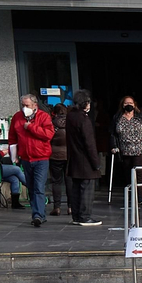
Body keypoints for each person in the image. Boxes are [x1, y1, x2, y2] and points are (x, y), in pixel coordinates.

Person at [8, 95, 54, 228]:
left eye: (27, 105)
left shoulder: (43, 117)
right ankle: (37, 214)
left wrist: (31, 127)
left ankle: (38, 215)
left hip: (41, 157)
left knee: (38, 187)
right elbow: (12, 138)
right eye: (23, 105)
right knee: (31, 187)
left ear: (35, 105)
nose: (24, 108)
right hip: (26, 158)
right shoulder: (17, 117)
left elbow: (48, 134)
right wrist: (14, 155)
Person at [64, 90, 103, 227]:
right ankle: (85, 216)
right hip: (85, 160)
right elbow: (89, 143)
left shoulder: (71, 116)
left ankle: (76, 216)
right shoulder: (84, 119)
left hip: (74, 157)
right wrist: (96, 163)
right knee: (86, 189)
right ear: (85, 103)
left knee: (76, 188)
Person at [112, 98, 142, 184]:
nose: (129, 105)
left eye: (131, 103)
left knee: (138, 174)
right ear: (123, 105)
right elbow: (113, 133)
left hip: (140, 149)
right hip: (125, 150)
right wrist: (114, 146)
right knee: (128, 174)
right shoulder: (117, 117)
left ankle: (139, 193)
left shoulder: (140, 116)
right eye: (126, 103)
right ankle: (130, 192)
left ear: (134, 105)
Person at [47, 104, 70, 216]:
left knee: (56, 182)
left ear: (54, 112)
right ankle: (71, 207)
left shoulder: (52, 123)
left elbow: (48, 138)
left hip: (55, 155)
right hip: (68, 155)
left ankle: (57, 207)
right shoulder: (70, 123)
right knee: (69, 181)